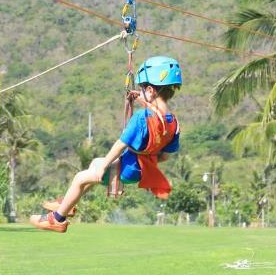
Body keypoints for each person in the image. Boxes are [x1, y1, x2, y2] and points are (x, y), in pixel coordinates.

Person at [29, 56, 182, 233]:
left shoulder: (142, 118)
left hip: (128, 168)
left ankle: (57, 219)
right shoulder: (173, 123)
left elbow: (120, 145)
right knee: (94, 163)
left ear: (150, 90)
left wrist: (105, 166)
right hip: (141, 170)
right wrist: (146, 153)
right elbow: (164, 156)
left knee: (81, 176)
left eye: (142, 88)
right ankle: (68, 204)